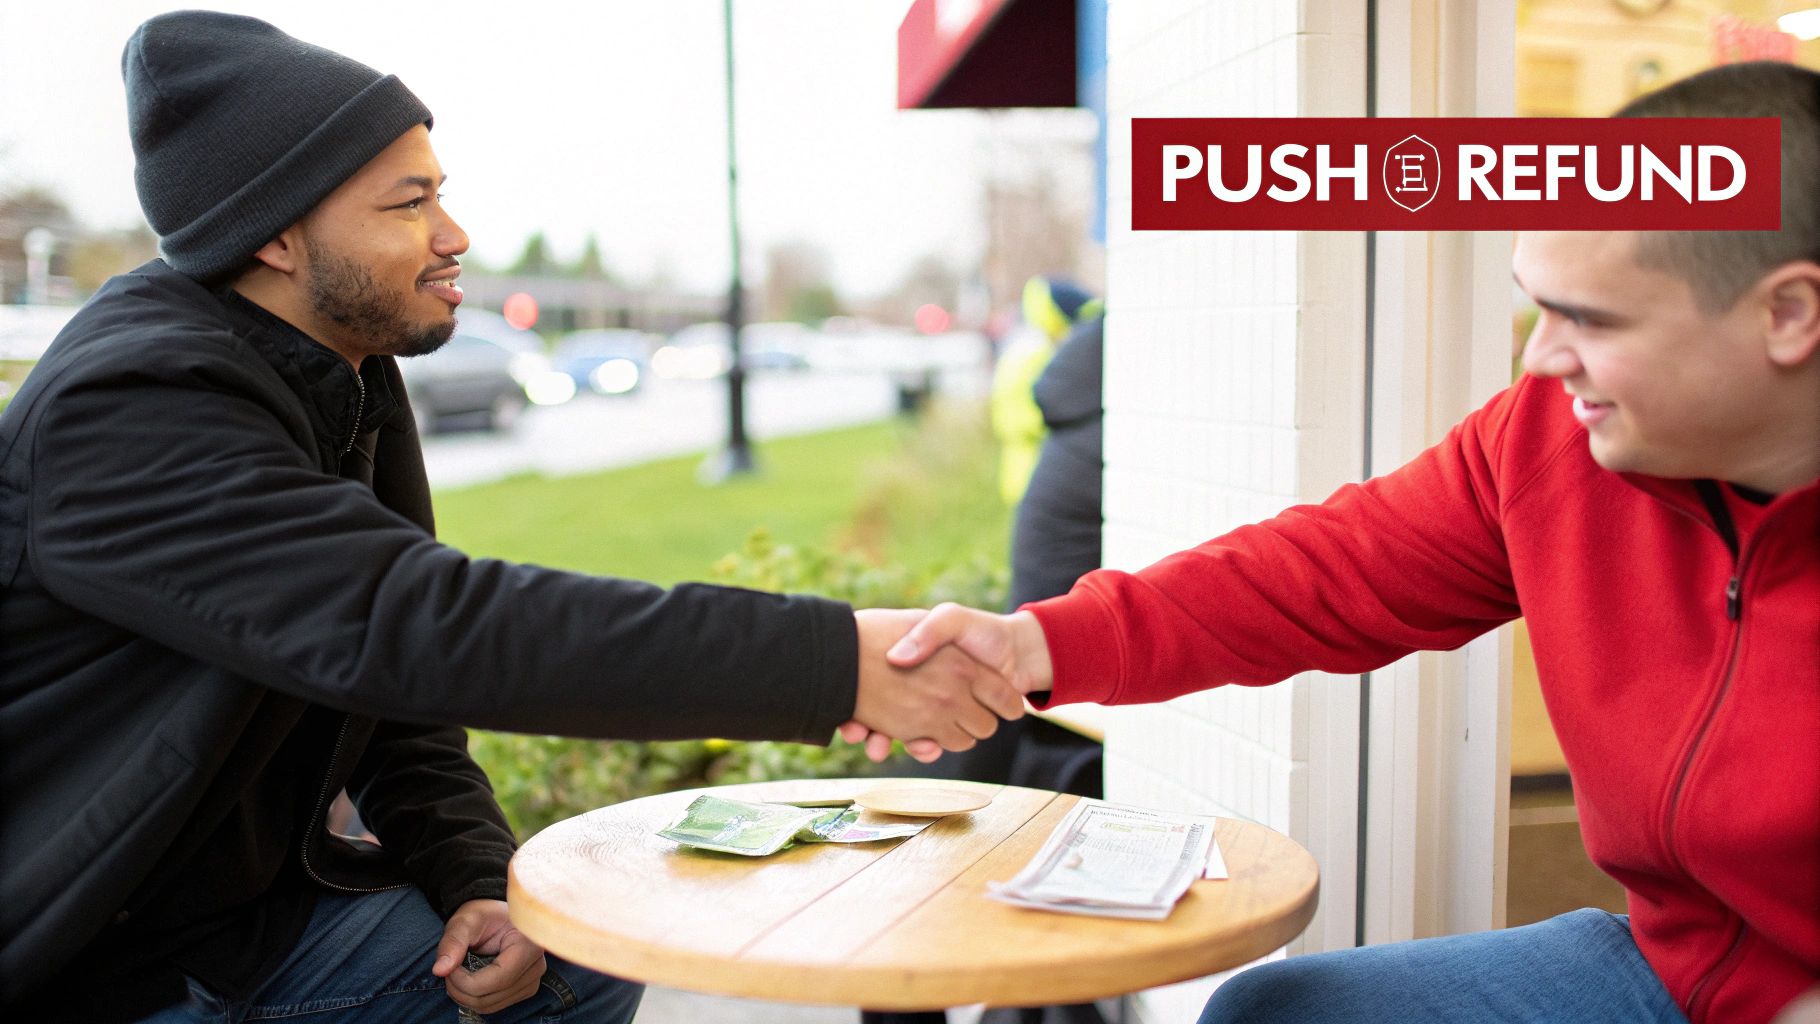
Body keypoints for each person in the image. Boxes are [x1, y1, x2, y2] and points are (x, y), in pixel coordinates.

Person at [0, 13, 1018, 1023]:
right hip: (82, 956)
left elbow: (391, 695)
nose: (453, 236)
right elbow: (415, 623)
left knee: (573, 949)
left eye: (439, 194)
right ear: (273, 232)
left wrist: (475, 876)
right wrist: (834, 662)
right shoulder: (131, 404)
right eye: (409, 204)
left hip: (229, 932)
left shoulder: (342, 373)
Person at [861, 61, 1820, 1024]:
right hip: (1673, 967)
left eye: (1590, 320)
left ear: (1787, 315)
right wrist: (1031, 647)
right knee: (1277, 1012)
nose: (1540, 358)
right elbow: (1326, 570)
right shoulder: (1551, 443)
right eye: (1542, 304)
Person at [989, 276, 1103, 506]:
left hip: (1027, 468)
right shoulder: (1034, 355)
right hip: (1032, 467)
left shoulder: (1026, 349)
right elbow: (1020, 417)